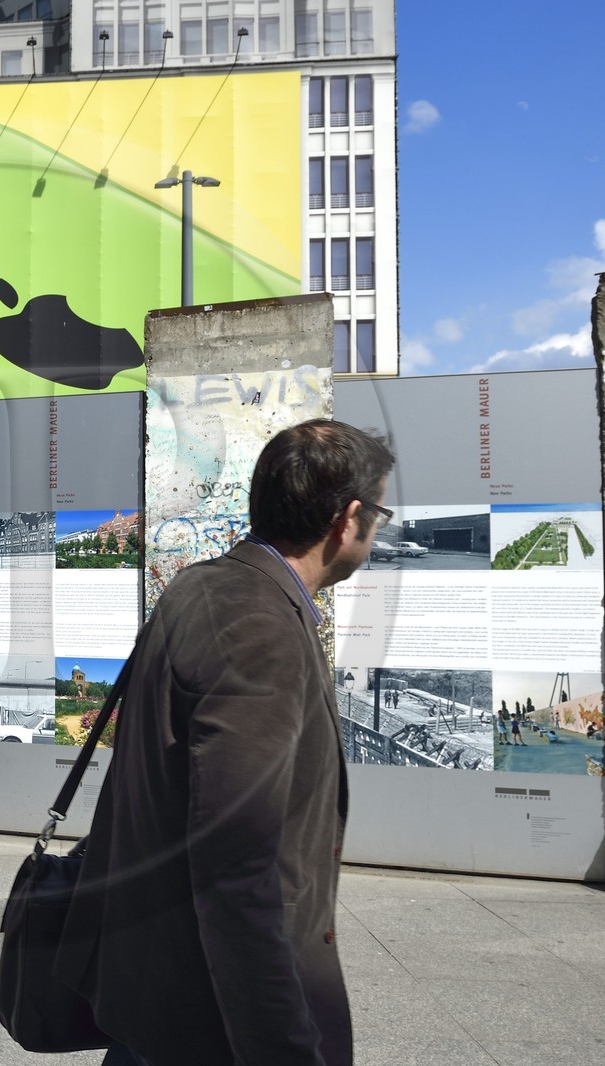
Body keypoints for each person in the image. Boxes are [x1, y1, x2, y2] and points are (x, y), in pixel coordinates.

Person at [56, 418, 394, 1066]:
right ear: (348, 519)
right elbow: (237, 870)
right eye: (378, 510)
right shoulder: (260, 628)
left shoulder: (200, 585)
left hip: (153, 990)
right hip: (206, 1020)